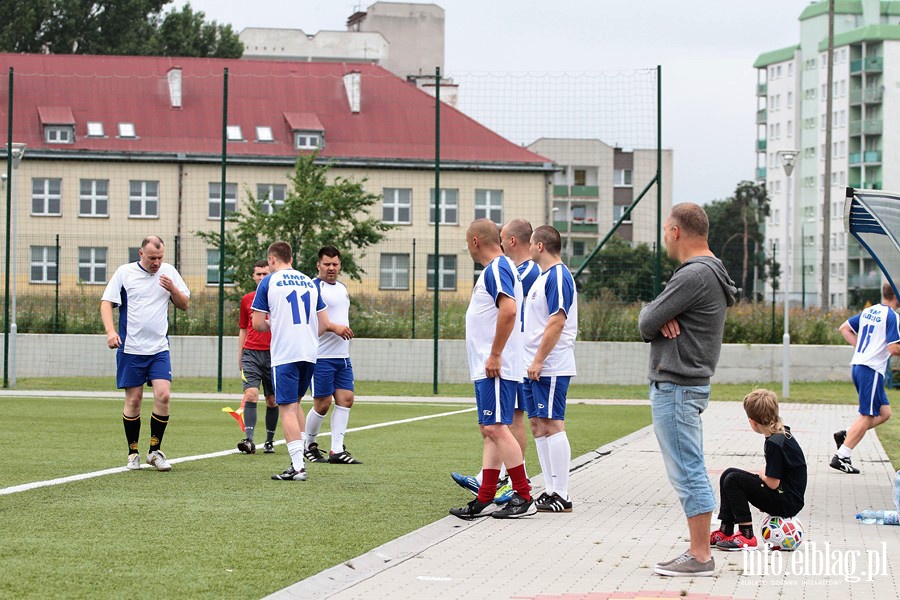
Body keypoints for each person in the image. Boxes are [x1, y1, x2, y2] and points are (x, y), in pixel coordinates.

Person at [638, 202, 736, 577]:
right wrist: (664, 317)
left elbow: (646, 320)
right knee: (688, 466)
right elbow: (654, 321)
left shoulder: (693, 275)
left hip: (677, 387)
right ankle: (698, 550)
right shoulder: (711, 271)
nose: (664, 236)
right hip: (685, 385)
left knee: (688, 469)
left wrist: (660, 317)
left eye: (666, 230)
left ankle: (700, 555)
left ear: (676, 230)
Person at [450, 219, 533, 520]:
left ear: (475, 242)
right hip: (488, 366)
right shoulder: (499, 269)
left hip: (496, 366)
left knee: (498, 428)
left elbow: (508, 310)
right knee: (489, 429)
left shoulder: (497, 268)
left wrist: (495, 354)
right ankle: (484, 497)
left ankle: (523, 496)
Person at [251, 241, 352, 481]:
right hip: (310, 353)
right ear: (291, 259)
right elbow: (323, 323)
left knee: (285, 407)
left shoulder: (269, 281)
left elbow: (257, 324)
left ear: (272, 260)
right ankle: (304, 451)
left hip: (286, 353)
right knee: (295, 403)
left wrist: (273, 323)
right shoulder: (308, 281)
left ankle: (297, 466)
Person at [100, 235, 190, 471]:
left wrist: (172, 289)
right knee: (134, 399)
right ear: (141, 254)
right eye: (152, 258)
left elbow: (185, 304)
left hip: (159, 348)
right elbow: (106, 302)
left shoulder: (169, 272)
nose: (157, 262)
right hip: (131, 349)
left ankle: (154, 451)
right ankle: (133, 454)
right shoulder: (125, 273)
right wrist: (111, 331)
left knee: (164, 395)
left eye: (160, 257)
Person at [523, 225, 578, 513]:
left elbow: (557, 320)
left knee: (553, 423)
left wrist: (540, 359)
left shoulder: (557, 275)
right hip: (534, 365)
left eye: (531, 243)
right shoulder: (542, 278)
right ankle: (550, 488)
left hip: (551, 365)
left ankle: (563, 493)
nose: (529, 248)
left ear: (540, 246)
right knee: (538, 424)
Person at [712, 389, 807, 551]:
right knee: (728, 474)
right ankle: (725, 530)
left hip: (786, 502)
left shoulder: (774, 443)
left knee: (733, 480)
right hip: (786, 496)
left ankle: (746, 534)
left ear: (752, 421)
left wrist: (761, 474)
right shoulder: (781, 433)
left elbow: (771, 483)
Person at [831, 281, 900, 474]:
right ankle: (842, 456)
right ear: (896, 296)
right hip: (871, 369)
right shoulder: (892, 316)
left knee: (885, 413)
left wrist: (862, 349)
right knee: (868, 415)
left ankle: (847, 434)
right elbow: (893, 349)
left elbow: (843, 328)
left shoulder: (870, 311)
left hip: (860, 365)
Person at [304, 246, 361, 465]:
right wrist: (333, 327)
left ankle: (336, 450)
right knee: (322, 403)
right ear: (318, 264)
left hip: (342, 356)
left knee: (346, 399)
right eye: (326, 264)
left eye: (335, 264)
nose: (331, 268)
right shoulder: (312, 287)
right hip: (320, 356)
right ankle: (309, 445)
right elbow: (311, 322)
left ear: (339, 265)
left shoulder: (342, 287)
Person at [236, 260, 279, 455]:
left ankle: (269, 440)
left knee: (272, 400)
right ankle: (249, 440)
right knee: (251, 394)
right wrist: (240, 355)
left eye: (265, 274)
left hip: (274, 355)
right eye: (258, 274)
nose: (262, 278)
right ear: (253, 276)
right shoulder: (247, 299)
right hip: (251, 354)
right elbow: (243, 329)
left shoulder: (278, 297)